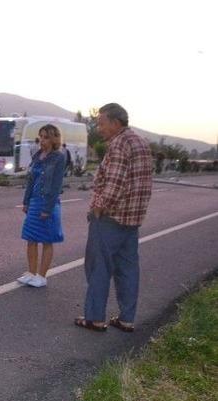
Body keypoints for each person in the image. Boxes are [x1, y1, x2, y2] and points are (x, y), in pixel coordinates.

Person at [75, 103, 153, 332]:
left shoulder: (119, 144)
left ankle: (95, 318)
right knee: (128, 269)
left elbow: (114, 183)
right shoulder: (140, 141)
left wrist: (97, 208)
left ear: (115, 123)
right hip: (132, 219)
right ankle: (127, 318)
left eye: (101, 123)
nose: (99, 128)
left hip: (111, 218)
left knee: (98, 267)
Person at [17, 124, 66, 288]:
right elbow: (30, 181)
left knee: (46, 240)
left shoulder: (59, 158)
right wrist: (26, 201)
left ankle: (42, 276)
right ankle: (31, 273)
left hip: (47, 203)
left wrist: (47, 209)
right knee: (30, 239)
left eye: (46, 137)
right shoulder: (37, 155)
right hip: (34, 202)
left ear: (53, 139)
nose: (42, 141)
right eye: (41, 137)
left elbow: (56, 186)